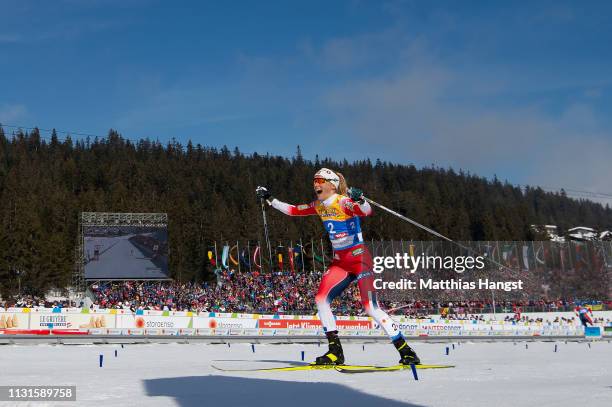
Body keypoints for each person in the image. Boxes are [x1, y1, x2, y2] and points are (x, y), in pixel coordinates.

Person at [256, 168, 420, 365]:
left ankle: (406, 351)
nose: (316, 184)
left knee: (371, 308)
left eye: (320, 180)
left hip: (359, 258)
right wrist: (270, 198)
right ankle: (335, 352)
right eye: (314, 181)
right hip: (340, 262)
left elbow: (365, 211)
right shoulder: (318, 205)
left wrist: (361, 200)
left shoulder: (342, 201)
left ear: (332, 184)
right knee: (321, 299)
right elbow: (293, 210)